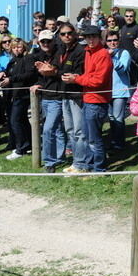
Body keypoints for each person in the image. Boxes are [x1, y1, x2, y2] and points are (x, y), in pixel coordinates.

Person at [62, 25, 111, 173]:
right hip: (88, 98)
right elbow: (90, 77)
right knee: (89, 136)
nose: (90, 40)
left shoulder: (102, 54)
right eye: (87, 37)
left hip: (97, 100)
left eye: (93, 36)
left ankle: (99, 169)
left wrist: (77, 79)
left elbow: (98, 80)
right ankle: (89, 166)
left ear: (99, 37)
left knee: (95, 139)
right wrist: (79, 78)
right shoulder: (89, 52)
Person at [52, 23, 88, 172]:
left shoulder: (80, 50)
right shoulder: (60, 49)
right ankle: (76, 161)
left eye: (69, 33)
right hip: (64, 93)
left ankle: (82, 163)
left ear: (74, 34)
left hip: (77, 95)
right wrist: (51, 69)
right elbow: (57, 67)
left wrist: (63, 73)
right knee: (70, 130)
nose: (66, 36)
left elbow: (78, 71)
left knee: (80, 131)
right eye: (63, 34)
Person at [33, 30, 66, 172]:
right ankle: (59, 156)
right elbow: (36, 73)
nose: (46, 44)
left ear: (54, 41)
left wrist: (49, 70)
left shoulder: (60, 54)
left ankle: (49, 161)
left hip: (57, 97)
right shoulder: (39, 55)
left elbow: (58, 71)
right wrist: (37, 83)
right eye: (43, 41)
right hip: (44, 96)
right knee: (57, 128)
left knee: (48, 129)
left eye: (48, 41)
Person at [2, 38, 37, 160]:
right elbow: (10, 73)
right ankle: (28, 144)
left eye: (19, 47)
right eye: (14, 47)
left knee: (15, 120)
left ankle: (20, 148)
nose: (17, 49)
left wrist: (11, 79)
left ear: (24, 48)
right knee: (21, 120)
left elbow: (29, 74)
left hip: (23, 94)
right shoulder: (13, 60)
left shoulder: (28, 58)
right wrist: (4, 74)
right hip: (14, 94)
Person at [106, 30, 131, 150]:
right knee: (111, 117)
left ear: (119, 41)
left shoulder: (124, 53)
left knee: (118, 117)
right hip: (107, 90)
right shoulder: (104, 53)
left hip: (120, 91)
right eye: (109, 40)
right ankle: (113, 140)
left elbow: (122, 69)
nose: (112, 43)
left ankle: (119, 144)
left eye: (115, 40)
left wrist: (112, 58)